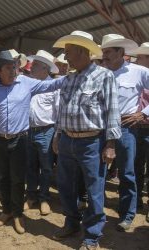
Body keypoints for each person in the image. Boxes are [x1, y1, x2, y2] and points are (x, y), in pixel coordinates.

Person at [0, 50, 64, 234]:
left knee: (18, 179)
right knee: (3, 177)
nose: (13, 70)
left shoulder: (26, 83)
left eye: (15, 66)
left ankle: (17, 214)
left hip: (20, 139)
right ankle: (6, 211)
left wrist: (75, 76)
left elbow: (52, 84)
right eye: (8, 67)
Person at [51, 31, 121, 250]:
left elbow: (112, 112)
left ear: (82, 51)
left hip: (92, 142)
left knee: (94, 189)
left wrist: (110, 144)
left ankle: (92, 236)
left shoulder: (104, 76)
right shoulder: (70, 78)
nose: (67, 57)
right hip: (67, 140)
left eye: (69, 52)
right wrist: (58, 135)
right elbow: (62, 111)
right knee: (65, 186)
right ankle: (71, 222)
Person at [101, 34, 149, 231]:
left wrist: (143, 113)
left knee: (127, 173)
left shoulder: (138, 71)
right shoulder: (99, 72)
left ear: (121, 52)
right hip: (100, 127)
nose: (104, 55)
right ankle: (96, 209)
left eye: (108, 52)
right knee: (98, 171)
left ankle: (127, 214)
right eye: (103, 52)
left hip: (125, 128)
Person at [25, 50, 60, 215]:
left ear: (45, 69)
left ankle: (44, 198)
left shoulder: (54, 87)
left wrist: (57, 135)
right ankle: (31, 196)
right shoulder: (28, 84)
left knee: (46, 167)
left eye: (36, 65)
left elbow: (58, 111)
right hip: (28, 130)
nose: (31, 68)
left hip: (47, 131)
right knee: (30, 166)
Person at [131, 42, 149, 215]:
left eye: (140, 57)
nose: (136, 60)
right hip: (136, 128)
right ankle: (135, 202)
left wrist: (143, 113)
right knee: (135, 166)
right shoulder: (135, 77)